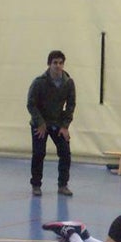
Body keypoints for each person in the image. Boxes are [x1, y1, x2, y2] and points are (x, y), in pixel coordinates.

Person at [27, 50, 76, 197]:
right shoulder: (39, 82)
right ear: (49, 64)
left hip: (58, 123)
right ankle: (36, 185)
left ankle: (63, 185)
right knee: (39, 153)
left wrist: (65, 126)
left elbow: (71, 105)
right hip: (40, 123)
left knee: (65, 153)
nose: (58, 66)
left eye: (60, 63)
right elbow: (31, 104)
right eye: (55, 63)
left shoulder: (68, 83)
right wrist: (40, 123)